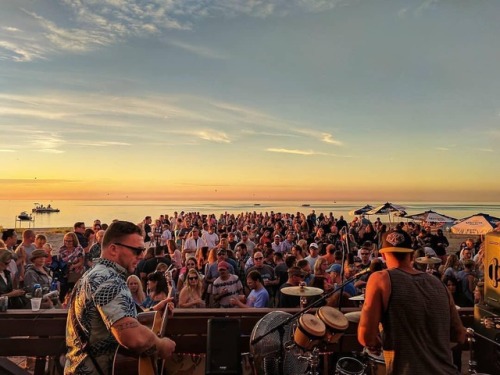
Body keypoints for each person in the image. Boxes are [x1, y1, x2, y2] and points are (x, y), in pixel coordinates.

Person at [65, 220, 176, 374]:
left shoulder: (92, 274)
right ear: (113, 249)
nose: (142, 256)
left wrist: (154, 310)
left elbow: (112, 320)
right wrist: (161, 345)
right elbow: (132, 337)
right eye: (136, 251)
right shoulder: (109, 280)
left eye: (143, 250)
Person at [358, 229, 466, 375]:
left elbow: (365, 337)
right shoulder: (438, 284)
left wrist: (376, 342)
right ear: (411, 254)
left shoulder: (380, 279)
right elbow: (459, 335)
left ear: (382, 255)